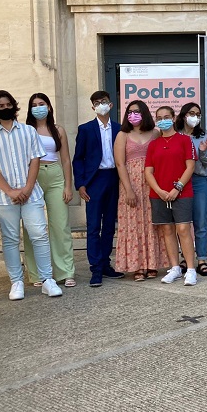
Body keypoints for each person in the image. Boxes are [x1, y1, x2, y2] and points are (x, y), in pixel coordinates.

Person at [0, 90, 62, 300]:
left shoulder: (28, 131)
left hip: (31, 195)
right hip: (4, 198)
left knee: (39, 235)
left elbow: (35, 160)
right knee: (10, 239)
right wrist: (10, 191)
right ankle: (16, 282)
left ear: (14, 106)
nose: (5, 109)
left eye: (8, 105)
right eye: (1, 106)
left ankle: (47, 280)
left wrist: (27, 188)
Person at [22, 93, 76, 287]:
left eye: (42, 104)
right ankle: (36, 274)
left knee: (60, 225)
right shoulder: (25, 130)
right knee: (32, 227)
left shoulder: (58, 130)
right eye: (34, 105)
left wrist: (68, 186)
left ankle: (65, 271)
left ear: (49, 107)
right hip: (32, 176)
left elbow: (66, 160)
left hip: (54, 175)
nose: (38, 107)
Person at [72, 90, 124, 287]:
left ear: (110, 105)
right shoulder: (85, 129)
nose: (101, 105)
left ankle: (105, 264)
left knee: (110, 225)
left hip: (113, 178)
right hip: (94, 181)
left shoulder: (119, 129)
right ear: (92, 107)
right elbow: (78, 159)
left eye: (104, 101)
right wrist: (81, 184)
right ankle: (95, 269)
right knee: (94, 226)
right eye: (96, 102)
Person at [145, 106, 198, 285]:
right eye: (159, 118)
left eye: (166, 117)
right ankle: (175, 267)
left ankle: (190, 269)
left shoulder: (185, 140)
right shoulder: (154, 144)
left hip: (182, 193)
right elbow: (148, 172)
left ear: (174, 118)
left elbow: (190, 167)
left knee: (183, 230)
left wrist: (178, 188)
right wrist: (159, 191)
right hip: (159, 194)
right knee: (167, 230)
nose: (163, 120)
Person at [114, 100, 166, 281]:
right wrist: (128, 189)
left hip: (152, 181)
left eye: (137, 111)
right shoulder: (122, 135)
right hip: (132, 183)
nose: (133, 114)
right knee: (133, 224)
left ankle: (153, 264)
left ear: (144, 113)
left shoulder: (155, 133)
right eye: (130, 111)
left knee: (153, 222)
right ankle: (137, 266)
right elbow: (120, 163)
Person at [176, 102, 207, 276]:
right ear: (184, 115)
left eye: (198, 114)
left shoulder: (202, 135)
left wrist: (203, 151)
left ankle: (202, 260)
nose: (195, 117)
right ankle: (185, 258)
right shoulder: (174, 134)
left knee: (201, 222)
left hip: (198, 181)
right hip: (179, 182)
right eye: (191, 113)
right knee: (182, 224)